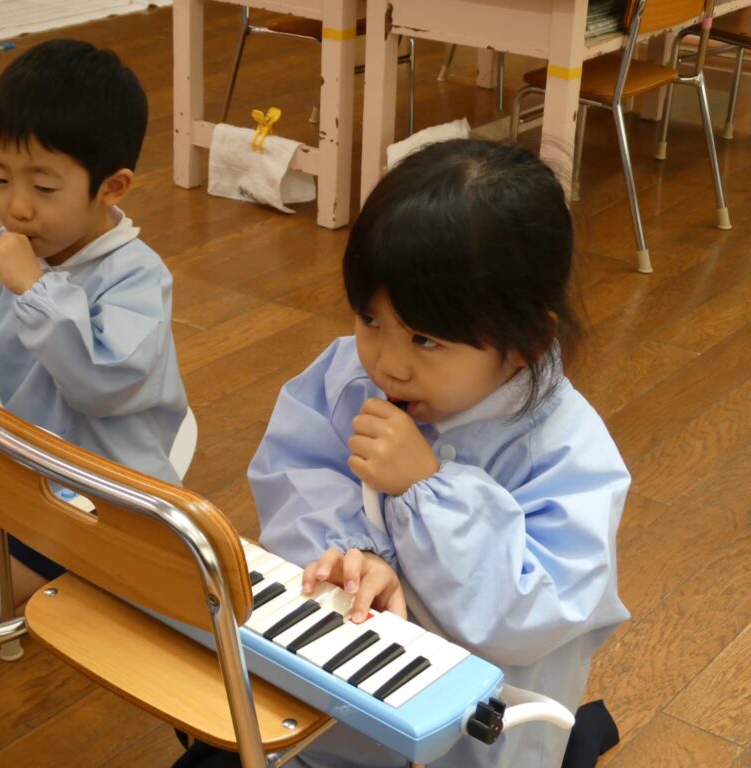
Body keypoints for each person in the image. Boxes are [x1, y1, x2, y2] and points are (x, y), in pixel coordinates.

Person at [244, 139, 631, 768]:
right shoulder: (347, 378)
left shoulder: (567, 451)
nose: (388, 363)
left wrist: (427, 487)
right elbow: (293, 476)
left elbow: (529, 614)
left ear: (527, 342)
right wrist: (352, 557)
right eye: (371, 320)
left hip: (478, 740)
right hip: (338, 707)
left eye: (425, 339)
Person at [0, 39, 187, 624]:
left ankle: (110, 556)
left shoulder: (137, 276)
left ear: (112, 187)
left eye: (43, 189)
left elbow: (105, 382)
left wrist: (36, 288)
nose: (16, 207)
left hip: (89, 479)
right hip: (2, 464)